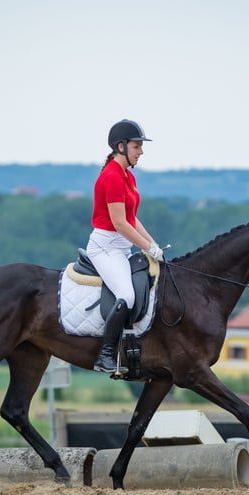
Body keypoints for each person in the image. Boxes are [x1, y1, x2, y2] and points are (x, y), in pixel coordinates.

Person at [86, 119, 165, 373]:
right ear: (120, 146)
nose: (141, 151)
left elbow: (132, 218)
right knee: (127, 296)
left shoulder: (128, 176)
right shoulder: (111, 177)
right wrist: (146, 247)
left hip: (123, 246)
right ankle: (105, 355)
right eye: (136, 146)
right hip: (106, 247)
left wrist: (152, 244)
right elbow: (120, 224)